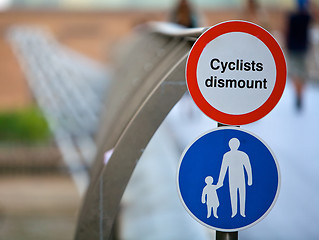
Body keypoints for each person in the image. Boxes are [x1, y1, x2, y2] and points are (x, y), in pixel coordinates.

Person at [285, 0, 312, 110]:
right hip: (303, 49)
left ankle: (297, 94)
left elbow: (286, 32)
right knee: (302, 74)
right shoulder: (307, 18)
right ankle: (301, 95)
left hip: (293, 48)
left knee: (295, 73)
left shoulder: (292, 17)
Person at [217, 138, 252, 218]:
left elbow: (248, 167)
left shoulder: (243, 154)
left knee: (242, 195)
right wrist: (220, 181)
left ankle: (242, 212)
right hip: (231, 178)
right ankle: (234, 212)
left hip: (241, 178)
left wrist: (250, 179)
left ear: (238, 145)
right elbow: (223, 169)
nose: (233, 146)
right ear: (230, 145)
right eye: (232, 144)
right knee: (233, 195)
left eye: (235, 144)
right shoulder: (227, 155)